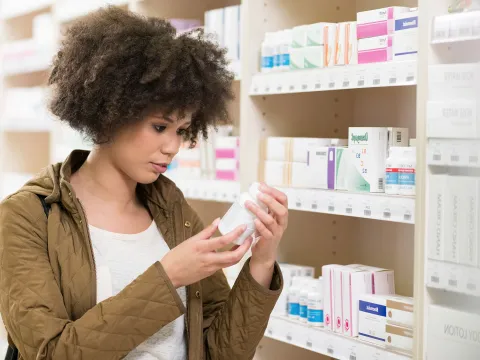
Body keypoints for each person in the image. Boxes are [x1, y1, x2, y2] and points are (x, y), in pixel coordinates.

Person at [0, 7, 288, 360]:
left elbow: (220, 351)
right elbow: (50, 353)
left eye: (181, 131)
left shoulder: (172, 209)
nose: (172, 147)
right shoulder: (27, 216)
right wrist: (167, 278)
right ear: (111, 111)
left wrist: (261, 263)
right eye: (159, 126)